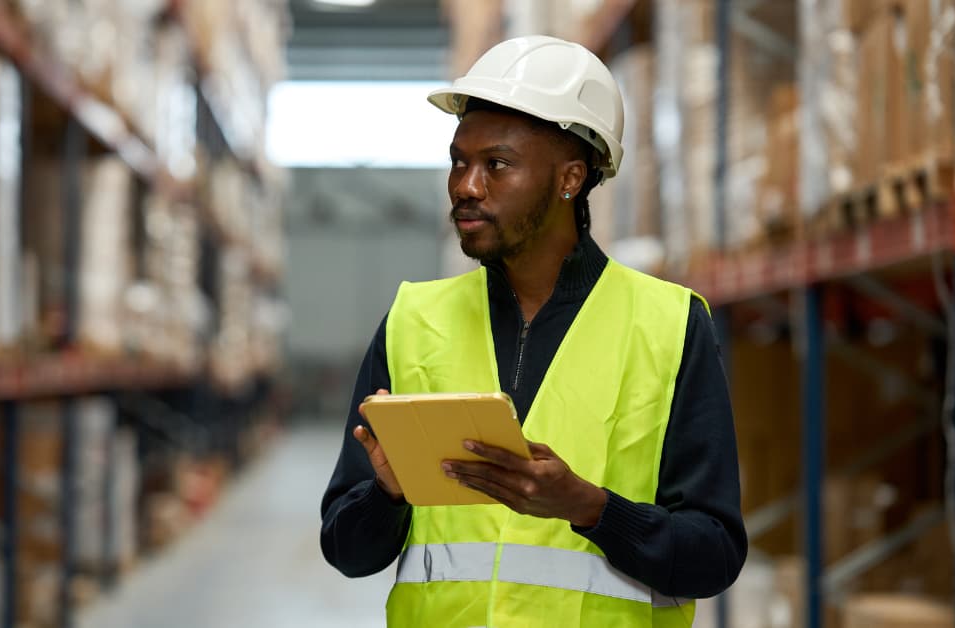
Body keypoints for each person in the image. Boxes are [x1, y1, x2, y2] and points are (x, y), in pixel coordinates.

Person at [319, 36, 747, 627]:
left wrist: (590, 507)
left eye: (496, 164)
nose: (466, 186)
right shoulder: (413, 321)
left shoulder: (669, 326)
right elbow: (345, 550)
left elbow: (714, 554)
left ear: (570, 178)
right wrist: (386, 498)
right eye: (458, 162)